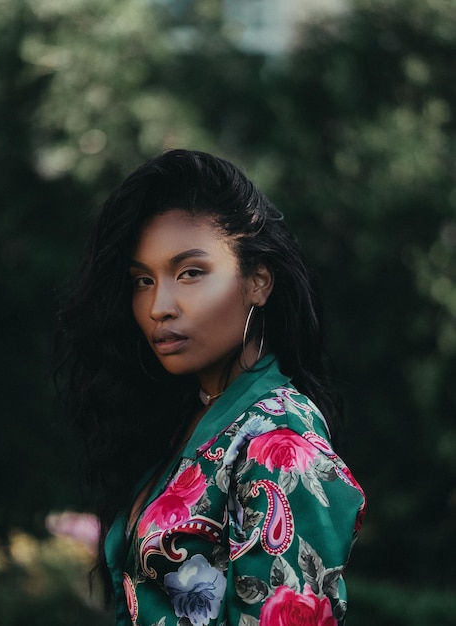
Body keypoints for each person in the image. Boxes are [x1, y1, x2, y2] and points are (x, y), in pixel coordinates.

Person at [56, 149, 365, 626]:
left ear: (259, 280)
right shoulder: (188, 418)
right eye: (142, 280)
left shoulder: (281, 438)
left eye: (190, 273)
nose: (159, 305)